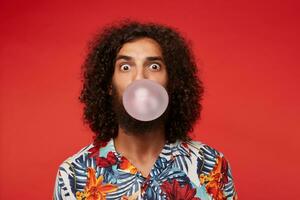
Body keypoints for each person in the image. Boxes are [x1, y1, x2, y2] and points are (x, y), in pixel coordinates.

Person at [53, 20, 238, 200]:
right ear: (109, 85)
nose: (140, 78)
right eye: (125, 67)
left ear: (171, 81)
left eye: (154, 66)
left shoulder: (211, 164)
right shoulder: (74, 175)